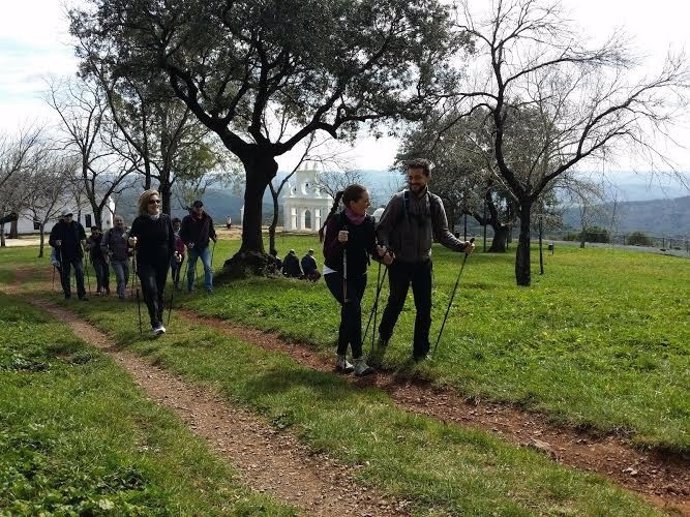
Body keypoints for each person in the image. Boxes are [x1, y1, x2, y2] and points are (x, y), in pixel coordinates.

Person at [374, 158, 475, 362]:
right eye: (410, 177)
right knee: (395, 302)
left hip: (423, 263)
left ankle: (420, 351)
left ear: (427, 177)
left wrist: (461, 246)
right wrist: (384, 250)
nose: (413, 181)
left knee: (424, 308)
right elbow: (382, 229)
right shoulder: (397, 200)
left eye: (418, 177)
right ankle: (383, 337)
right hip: (399, 262)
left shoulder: (435, 202)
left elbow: (443, 233)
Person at [320, 184, 393, 376]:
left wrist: (382, 256)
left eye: (368, 200)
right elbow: (327, 252)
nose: (368, 204)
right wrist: (339, 241)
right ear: (352, 203)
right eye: (365, 201)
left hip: (359, 274)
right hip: (336, 273)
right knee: (354, 310)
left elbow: (371, 247)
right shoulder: (337, 221)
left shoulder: (368, 221)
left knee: (349, 314)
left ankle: (340, 358)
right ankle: (359, 361)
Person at [128, 190, 176, 336]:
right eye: (151, 201)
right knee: (150, 289)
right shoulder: (140, 221)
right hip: (145, 261)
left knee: (159, 292)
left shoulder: (166, 219)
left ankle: (159, 320)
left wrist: (175, 253)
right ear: (145, 204)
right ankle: (155, 323)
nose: (155, 204)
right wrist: (132, 241)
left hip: (163, 261)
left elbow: (172, 240)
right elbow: (131, 239)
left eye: (157, 201)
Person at [48, 212, 88, 300]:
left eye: (70, 215)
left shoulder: (77, 225)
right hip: (63, 254)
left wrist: (84, 241)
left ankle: (81, 294)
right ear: (63, 217)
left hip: (76, 253)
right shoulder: (57, 227)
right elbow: (51, 240)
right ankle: (67, 295)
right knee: (65, 275)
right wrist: (56, 242)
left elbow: (83, 236)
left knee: (80, 272)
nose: (69, 217)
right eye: (67, 216)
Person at [180, 200, 217, 293]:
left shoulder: (208, 218)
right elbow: (182, 234)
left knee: (208, 267)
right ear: (193, 208)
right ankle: (190, 288)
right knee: (191, 269)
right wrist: (188, 243)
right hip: (192, 248)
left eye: (200, 206)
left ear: (202, 207)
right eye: (197, 207)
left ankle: (208, 287)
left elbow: (211, 230)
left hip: (204, 246)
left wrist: (214, 237)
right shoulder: (187, 219)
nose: (199, 208)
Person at [102, 215, 130, 300]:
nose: (119, 222)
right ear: (114, 223)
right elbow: (103, 245)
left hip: (125, 258)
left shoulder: (127, 231)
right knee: (121, 277)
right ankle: (122, 295)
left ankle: (119, 289)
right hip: (115, 260)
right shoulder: (109, 232)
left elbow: (133, 242)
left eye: (121, 221)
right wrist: (108, 252)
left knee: (126, 277)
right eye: (117, 221)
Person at [86, 226, 110, 295]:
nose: (95, 235)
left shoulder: (103, 237)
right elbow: (86, 248)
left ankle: (107, 287)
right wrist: (88, 247)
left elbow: (107, 245)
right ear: (91, 232)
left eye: (96, 232)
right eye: (93, 233)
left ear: (98, 231)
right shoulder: (90, 239)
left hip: (104, 258)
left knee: (106, 274)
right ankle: (99, 289)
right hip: (95, 258)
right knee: (99, 273)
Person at [170, 217, 186, 289]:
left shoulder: (182, 232)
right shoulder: (170, 233)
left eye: (178, 225)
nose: (177, 227)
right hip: (173, 254)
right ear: (173, 225)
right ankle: (175, 282)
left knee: (178, 269)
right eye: (176, 225)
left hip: (181, 253)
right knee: (174, 268)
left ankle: (176, 284)